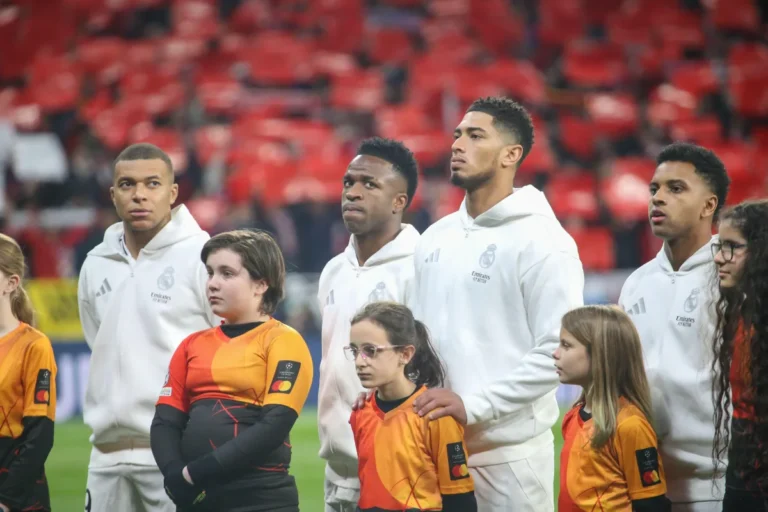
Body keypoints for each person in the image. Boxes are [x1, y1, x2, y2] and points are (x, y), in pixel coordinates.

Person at [408, 96, 585, 511]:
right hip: (431, 450)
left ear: (511, 154)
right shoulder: (434, 237)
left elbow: (558, 352)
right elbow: (416, 341)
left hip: (510, 460)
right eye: (456, 135)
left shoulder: (545, 241)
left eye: (474, 135)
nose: (457, 144)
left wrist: (475, 406)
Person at [78, 143, 217, 512]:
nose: (139, 194)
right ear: (113, 194)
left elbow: (226, 347)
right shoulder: (95, 263)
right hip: (105, 456)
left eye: (152, 184)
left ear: (172, 193)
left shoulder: (203, 257)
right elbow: (99, 343)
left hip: (177, 454)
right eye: (127, 184)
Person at [150, 230, 313, 511]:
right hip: (197, 499)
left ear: (261, 284)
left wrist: (193, 474)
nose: (212, 284)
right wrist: (174, 474)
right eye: (210, 273)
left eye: (227, 273)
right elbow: (165, 422)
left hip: (262, 499)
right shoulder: (191, 345)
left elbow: (273, 426)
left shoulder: (284, 340)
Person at [618, 142, 730, 511]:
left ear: (708, 205)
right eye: (654, 189)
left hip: (717, 485)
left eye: (675, 188)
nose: (658, 198)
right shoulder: (636, 282)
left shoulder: (730, 279)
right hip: (645, 482)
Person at [317, 137, 421, 511]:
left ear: (400, 201)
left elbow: (429, 368)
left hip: (397, 467)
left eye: (369, 184)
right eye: (349, 182)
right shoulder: (333, 271)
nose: (353, 193)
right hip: (338, 468)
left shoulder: (419, 268)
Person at [348, 302, 477, 512]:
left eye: (370, 351)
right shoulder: (360, 412)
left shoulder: (435, 416)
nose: (359, 362)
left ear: (405, 354)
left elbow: (460, 498)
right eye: (355, 351)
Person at [555, 305, 671, 511]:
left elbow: (651, 504)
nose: (556, 353)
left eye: (566, 345)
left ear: (600, 354)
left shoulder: (630, 426)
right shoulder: (573, 417)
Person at [711, 200, 768, 510]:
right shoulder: (740, 313)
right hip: (743, 456)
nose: (720, 258)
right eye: (720, 246)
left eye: (732, 246)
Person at [0, 234, 56, 512]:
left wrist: (6, 499)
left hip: (18, 493)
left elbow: (40, 435)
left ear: (11, 283)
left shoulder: (34, 345)